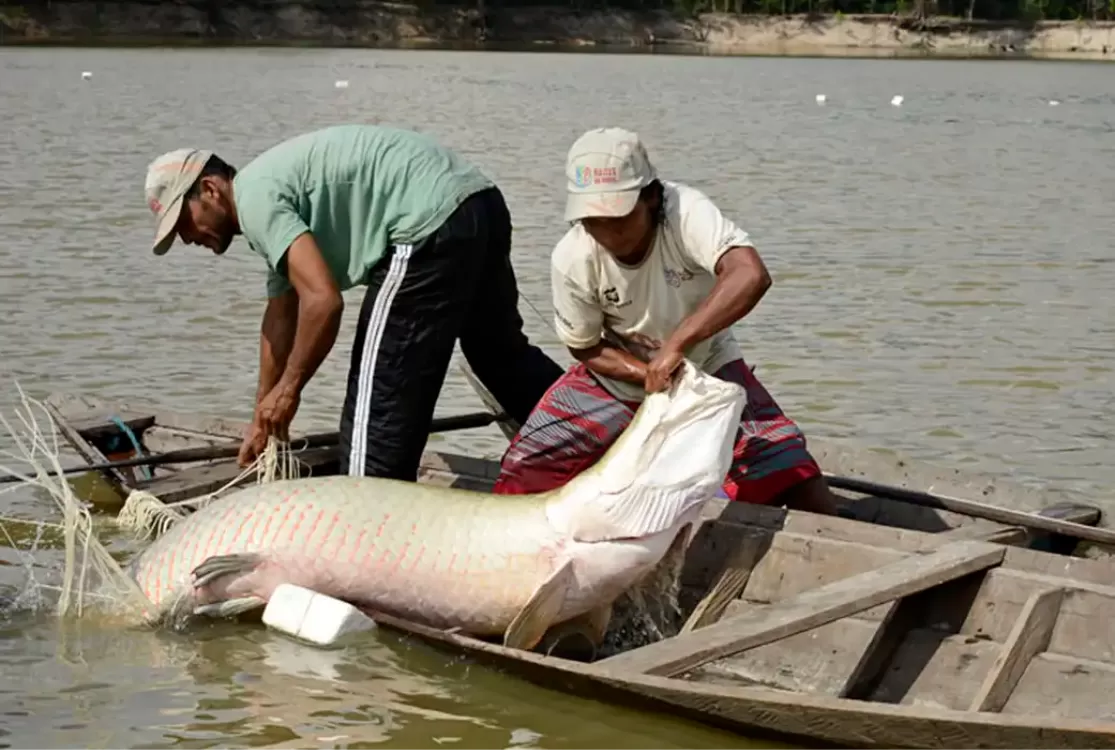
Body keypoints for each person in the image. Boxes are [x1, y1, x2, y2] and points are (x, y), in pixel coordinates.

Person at [143, 124, 563, 482]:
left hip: (426, 224)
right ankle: (600, 433)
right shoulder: (267, 194)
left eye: (184, 222)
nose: (187, 239)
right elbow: (281, 314)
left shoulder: (256, 201)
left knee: (375, 413)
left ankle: (369, 533)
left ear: (211, 190)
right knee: (499, 357)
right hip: (479, 202)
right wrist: (261, 415)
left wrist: (289, 391)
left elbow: (323, 303)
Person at [491, 127, 839, 515]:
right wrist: (645, 373)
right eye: (593, 219)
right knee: (523, 469)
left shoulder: (684, 211)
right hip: (615, 376)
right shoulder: (572, 256)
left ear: (651, 197)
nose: (606, 232)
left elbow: (749, 274)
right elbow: (585, 345)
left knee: (793, 473)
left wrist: (677, 347)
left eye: (618, 217)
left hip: (706, 366)